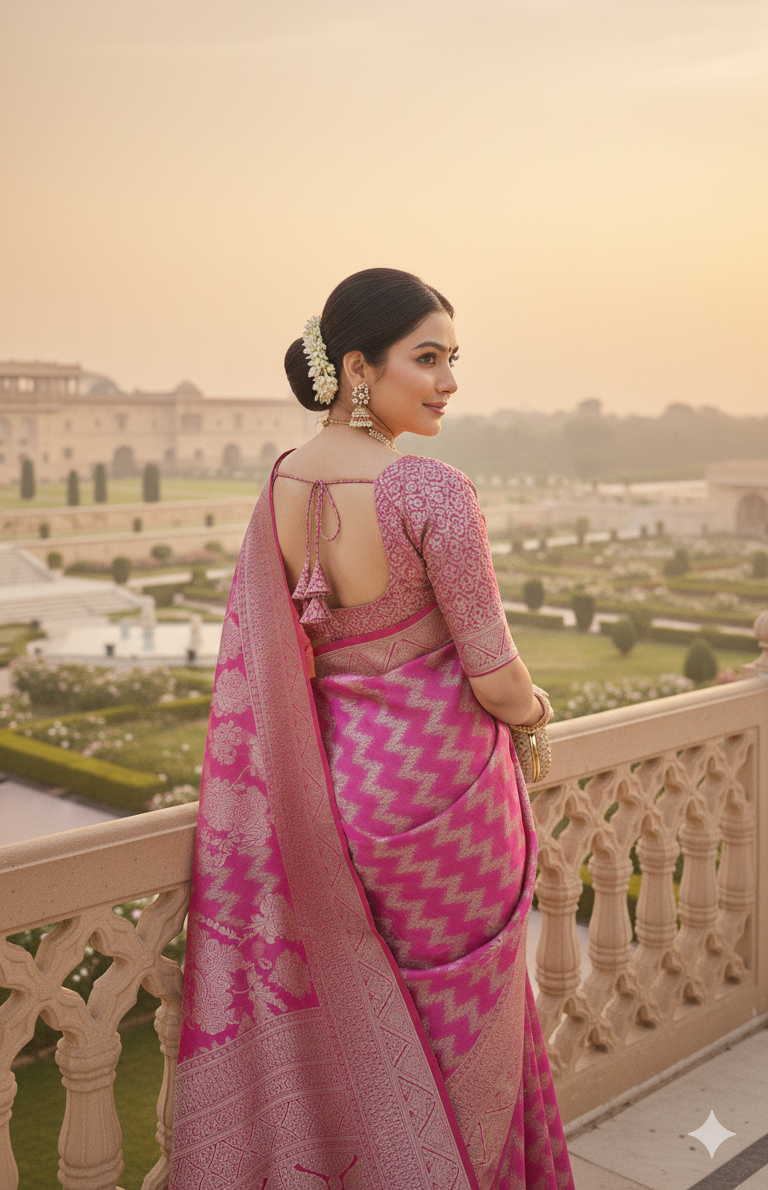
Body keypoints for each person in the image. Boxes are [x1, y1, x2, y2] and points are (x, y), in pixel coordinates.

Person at [169, 269, 575, 1189]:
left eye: (453, 360)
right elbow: (497, 675)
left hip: (339, 798)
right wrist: (539, 712)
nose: (448, 382)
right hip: (447, 802)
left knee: (380, 1033)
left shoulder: (280, 483)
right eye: (426, 359)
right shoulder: (428, 488)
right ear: (358, 367)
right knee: (468, 1031)